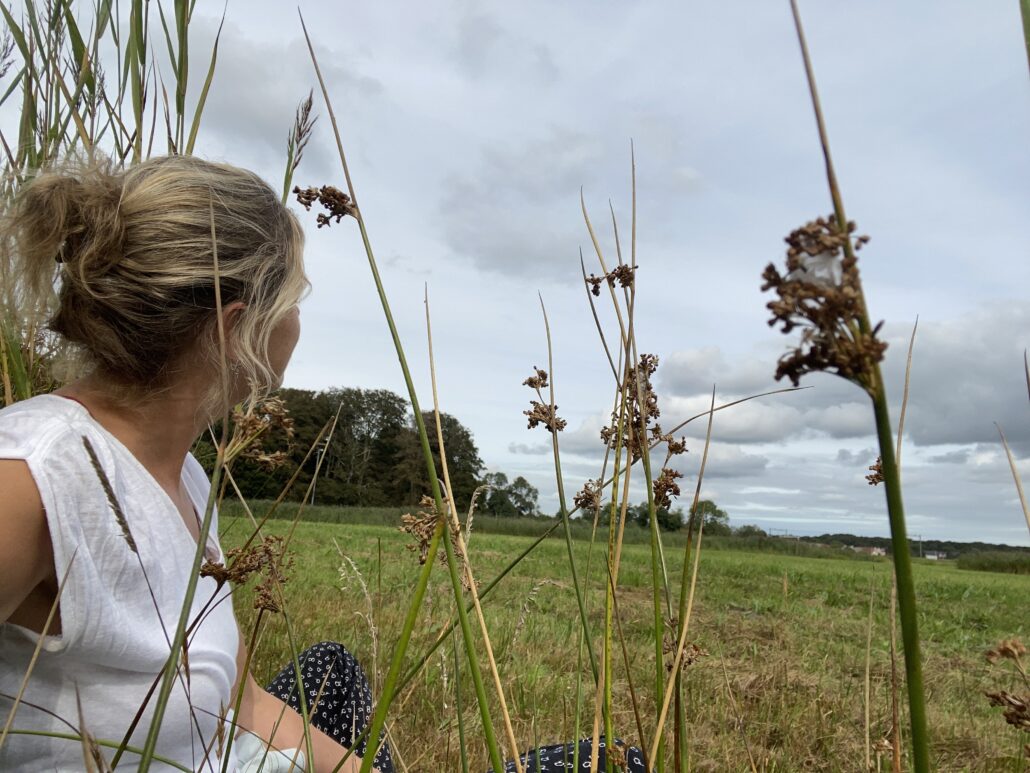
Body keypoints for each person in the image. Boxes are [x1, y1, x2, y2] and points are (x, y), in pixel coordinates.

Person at [0, 156, 646, 772]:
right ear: (236, 326)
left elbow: (241, 700)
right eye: (295, 300)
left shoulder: (183, 474)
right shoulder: (34, 477)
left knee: (330, 668)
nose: (300, 323)